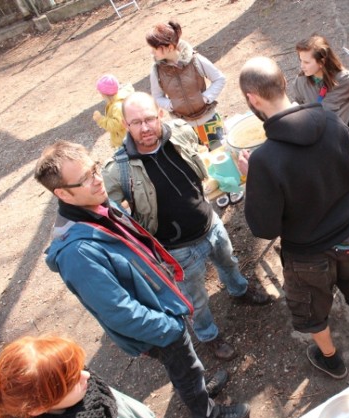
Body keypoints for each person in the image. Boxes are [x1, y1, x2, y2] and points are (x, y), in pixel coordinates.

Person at [34, 141, 250, 418]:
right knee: (183, 367)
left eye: (94, 169)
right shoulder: (77, 253)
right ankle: (208, 414)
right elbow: (120, 312)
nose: (98, 180)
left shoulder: (95, 203)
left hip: (162, 307)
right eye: (85, 179)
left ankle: (198, 388)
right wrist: (170, 328)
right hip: (158, 324)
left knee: (186, 365)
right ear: (62, 193)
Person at [237, 57, 349, 380]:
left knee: (312, 310)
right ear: (285, 84)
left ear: (252, 98)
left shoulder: (263, 159)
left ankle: (331, 359)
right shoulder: (333, 123)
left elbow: (264, 227)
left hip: (306, 256)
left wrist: (253, 180)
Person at [102, 91, 271, 362]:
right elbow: (108, 210)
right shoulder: (117, 169)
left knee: (229, 262)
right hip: (177, 250)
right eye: (136, 122)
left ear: (160, 115)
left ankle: (239, 289)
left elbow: (200, 156)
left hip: (210, 223)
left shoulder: (180, 133)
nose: (144, 127)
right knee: (196, 299)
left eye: (149, 118)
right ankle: (208, 335)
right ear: (125, 125)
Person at [0, 334, 160, 418]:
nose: (86, 375)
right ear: (38, 408)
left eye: (79, 368)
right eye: (72, 381)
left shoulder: (86, 387)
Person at [146, 20, 226, 149]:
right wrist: (171, 105)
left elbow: (219, 79)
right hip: (184, 128)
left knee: (222, 156)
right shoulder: (156, 71)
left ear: (170, 47)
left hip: (209, 121)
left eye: (155, 48)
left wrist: (205, 98)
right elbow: (157, 97)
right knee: (200, 162)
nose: (152, 52)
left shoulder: (195, 60)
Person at [290, 34, 349, 124]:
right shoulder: (300, 81)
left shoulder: (346, 79)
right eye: (300, 60)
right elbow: (299, 101)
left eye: (306, 62)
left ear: (322, 62)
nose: (302, 66)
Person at [92, 74, 134, 149]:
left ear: (105, 94)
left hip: (125, 142)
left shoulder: (117, 106)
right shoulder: (115, 102)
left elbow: (117, 125)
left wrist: (100, 119)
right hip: (125, 139)